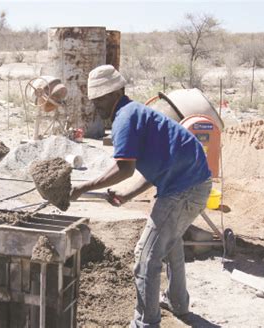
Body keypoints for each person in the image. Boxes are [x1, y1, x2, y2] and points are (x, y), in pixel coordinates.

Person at [70, 65, 212, 327]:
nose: (97, 106)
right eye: (94, 101)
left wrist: (82, 188)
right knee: (170, 244)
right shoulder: (135, 113)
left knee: (145, 255)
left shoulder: (125, 117)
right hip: (191, 181)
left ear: (117, 92)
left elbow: (124, 168)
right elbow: (157, 165)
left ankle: (145, 323)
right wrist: (126, 194)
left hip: (184, 187)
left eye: (101, 99)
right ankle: (177, 302)